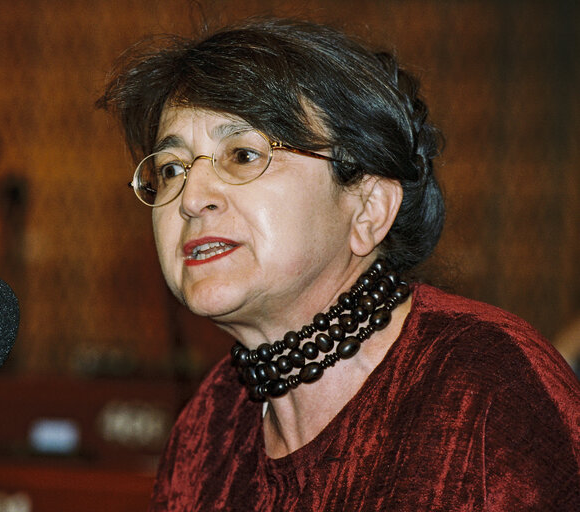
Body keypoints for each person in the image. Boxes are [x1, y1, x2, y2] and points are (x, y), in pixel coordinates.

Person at [98, 17, 580, 511]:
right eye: (172, 169)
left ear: (368, 209)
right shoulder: (211, 425)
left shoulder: (487, 386)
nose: (191, 198)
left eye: (242, 154)